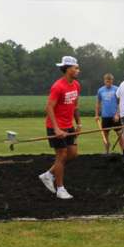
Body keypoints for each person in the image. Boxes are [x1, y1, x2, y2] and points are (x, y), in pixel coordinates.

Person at [38, 56, 81, 199]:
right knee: (61, 154)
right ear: (68, 69)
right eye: (75, 68)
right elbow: (49, 107)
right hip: (55, 126)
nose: (77, 70)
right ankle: (60, 189)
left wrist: (78, 124)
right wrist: (56, 129)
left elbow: (75, 106)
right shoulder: (58, 86)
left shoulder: (76, 85)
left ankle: (49, 174)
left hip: (69, 126)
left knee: (73, 154)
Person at [95, 73, 121, 155]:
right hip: (105, 116)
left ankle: (123, 152)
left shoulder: (117, 89)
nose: (108, 83)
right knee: (105, 135)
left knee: (120, 134)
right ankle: (106, 151)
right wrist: (96, 115)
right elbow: (98, 103)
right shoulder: (100, 90)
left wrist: (118, 114)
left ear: (112, 81)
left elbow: (120, 103)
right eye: (107, 81)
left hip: (115, 116)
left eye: (110, 81)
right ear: (104, 81)